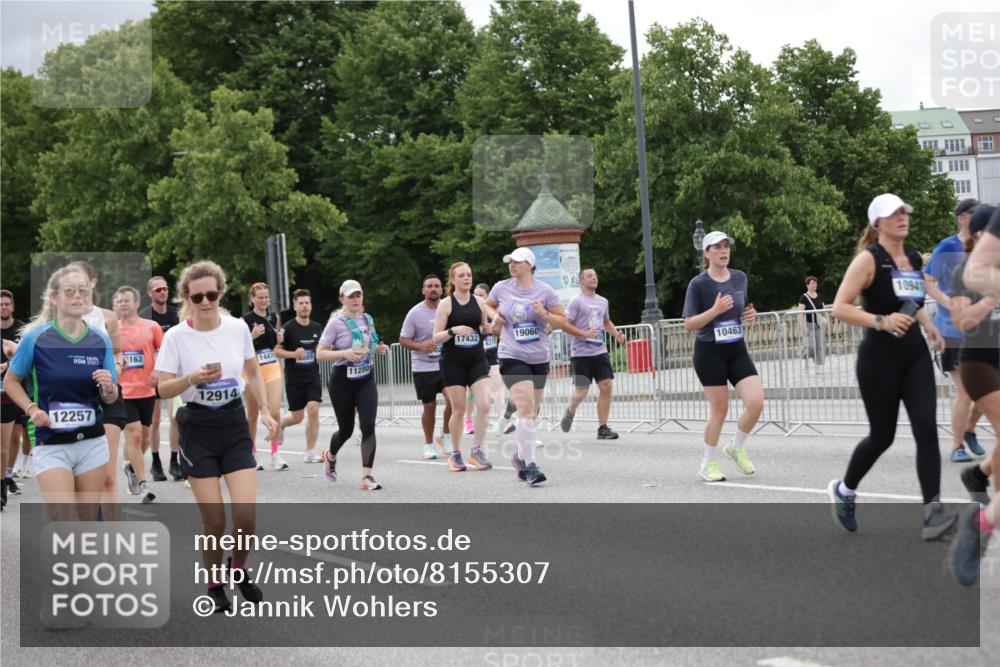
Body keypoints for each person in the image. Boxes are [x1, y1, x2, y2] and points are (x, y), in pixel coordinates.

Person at [828, 193, 955, 540]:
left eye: (904, 211)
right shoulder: (868, 260)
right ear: (877, 223)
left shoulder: (912, 256)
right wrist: (881, 321)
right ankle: (845, 490)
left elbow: (911, 302)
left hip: (913, 355)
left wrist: (929, 327)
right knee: (882, 436)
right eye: (893, 214)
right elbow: (839, 308)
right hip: (878, 360)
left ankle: (932, 513)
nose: (902, 217)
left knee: (927, 430)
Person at [154, 260, 275, 612]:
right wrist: (190, 379)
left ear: (220, 293)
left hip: (234, 425)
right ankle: (213, 582)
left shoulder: (237, 328)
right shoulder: (176, 337)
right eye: (198, 296)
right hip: (198, 429)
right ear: (186, 297)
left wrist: (265, 409)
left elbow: (253, 370)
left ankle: (236, 569)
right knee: (216, 521)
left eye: (212, 294)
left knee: (247, 517)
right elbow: (161, 388)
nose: (205, 301)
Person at [3, 265, 118, 519]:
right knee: (64, 519)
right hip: (50, 441)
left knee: (86, 522)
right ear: (54, 297)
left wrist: (109, 388)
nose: (78, 296)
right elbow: (11, 381)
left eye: (83, 291)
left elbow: (111, 396)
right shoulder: (36, 338)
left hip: (92, 441)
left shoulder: (100, 339)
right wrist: (31, 409)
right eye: (70, 291)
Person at [682, 231, 762, 482]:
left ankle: (736, 447)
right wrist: (714, 310)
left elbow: (741, 309)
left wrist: (749, 315)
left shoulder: (739, 278)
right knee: (720, 410)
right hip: (709, 352)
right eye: (717, 247)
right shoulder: (698, 284)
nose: (723, 250)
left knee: (756, 402)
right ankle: (707, 463)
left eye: (726, 246)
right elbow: (689, 324)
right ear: (707, 253)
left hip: (736, 348)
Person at [486, 246, 567, 486]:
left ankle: (520, 457)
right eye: (510, 261)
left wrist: (545, 316)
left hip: (539, 357)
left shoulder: (545, 291)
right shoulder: (501, 287)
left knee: (532, 412)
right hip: (512, 355)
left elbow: (562, 319)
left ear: (530, 265)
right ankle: (531, 467)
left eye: (517, 262)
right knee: (525, 409)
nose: (512, 265)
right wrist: (495, 317)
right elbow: (488, 305)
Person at [925, 197, 986, 463]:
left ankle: (970, 429)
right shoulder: (947, 247)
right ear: (961, 217)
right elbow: (928, 281)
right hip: (951, 329)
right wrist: (948, 302)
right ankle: (957, 446)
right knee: (966, 392)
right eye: (976, 214)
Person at [317, 280, 388, 490]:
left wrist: (379, 349)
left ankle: (367, 476)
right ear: (342, 299)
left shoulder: (368, 319)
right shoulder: (336, 322)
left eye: (358, 295)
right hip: (342, 381)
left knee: (368, 425)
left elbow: (370, 345)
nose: (356, 299)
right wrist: (343, 353)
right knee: (346, 430)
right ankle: (330, 455)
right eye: (351, 296)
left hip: (366, 379)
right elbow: (320, 354)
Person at [949, 204, 998, 505]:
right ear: (981, 234)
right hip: (979, 361)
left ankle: (979, 474)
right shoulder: (964, 272)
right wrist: (989, 300)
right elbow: (961, 321)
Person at [68, 260, 126, 516]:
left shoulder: (108, 317)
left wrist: (117, 367)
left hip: (107, 395)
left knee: (108, 475)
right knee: (80, 478)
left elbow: (117, 353)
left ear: (92, 282)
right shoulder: (60, 317)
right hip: (73, 399)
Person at [432, 263, 494, 472]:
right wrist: (453, 330)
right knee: (458, 409)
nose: (467, 278)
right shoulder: (446, 304)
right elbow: (435, 336)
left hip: (476, 360)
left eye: (469, 274)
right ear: (453, 280)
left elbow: (484, 329)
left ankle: (476, 450)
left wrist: (486, 329)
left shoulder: (479, 301)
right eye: (462, 275)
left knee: (485, 404)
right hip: (453, 363)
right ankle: (456, 453)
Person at [560, 268, 627, 439]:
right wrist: (584, 334)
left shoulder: (603, 301)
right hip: (581, 353)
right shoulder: (576, 301)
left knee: (606, 386)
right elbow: (566, 325)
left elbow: (605, 321)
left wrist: (617, 334)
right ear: (581, 281)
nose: (594, 278)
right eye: (589, 276)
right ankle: (570, 410)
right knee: (581, 391)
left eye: (595, 275)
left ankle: (602, 428)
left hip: (599, 350)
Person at [114, 286, 163, 504]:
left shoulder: (151, 326)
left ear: (136, 304)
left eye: (127, 300)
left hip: (147, 389)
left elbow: (163, 351)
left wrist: (157, 370)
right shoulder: (111, 330)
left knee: (144, 438)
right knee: (133, 435)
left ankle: (131, 467)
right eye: (119, 301)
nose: (123, 304)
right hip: (123, 390)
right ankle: (144, 486)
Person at [400, 275, 453, 460]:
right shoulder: (415, 313)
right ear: (423, 290)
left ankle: (445, 435)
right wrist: (422, 347)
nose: (433, 289)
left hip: (446, 363)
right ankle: (429, 444)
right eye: (429, 286)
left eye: (437, 286)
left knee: (454, 400)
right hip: (423, 366)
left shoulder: (448, 308)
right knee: (429, 406)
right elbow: (403, 340)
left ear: (442, 290)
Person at [139, 276, 180, 481]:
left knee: (175, 417)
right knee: (154, 420)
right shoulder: (145, 316)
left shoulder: (176, 314)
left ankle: (174, 461)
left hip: (173, 373)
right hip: (153, 373)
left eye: (164, 289)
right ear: (150, 293)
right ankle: (156, 463)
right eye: (157, 290)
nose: (162, 292)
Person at [242, 282, 286, 471]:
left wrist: (279, 341)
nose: (264, 300)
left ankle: (275, 454)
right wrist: (250, 336)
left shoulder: (273, 317)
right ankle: (253, 453)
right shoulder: (244, 320)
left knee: (274, 411)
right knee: (252, 415)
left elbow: (275, 347)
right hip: (252, 369)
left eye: (266, 297)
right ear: (252, 299)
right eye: (260, 297)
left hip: (272, 366)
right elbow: (239, 347)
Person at [277, 289, 324, 463]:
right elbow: (276, 350)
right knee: (297, 417)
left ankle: (310, 451)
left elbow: (322, 348)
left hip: (312, 377)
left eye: (307, 303)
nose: (304, 306)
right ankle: (282, 423)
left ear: (311, 306)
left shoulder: (317, 327)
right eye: (301, 303)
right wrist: (293, 354)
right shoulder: (287, 328)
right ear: (295, 306)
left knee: (313, 408)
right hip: (294, 379)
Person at [1, 289, 29, 495]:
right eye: (0, 304)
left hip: (16, 388)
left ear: (12, 306)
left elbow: (27, 356)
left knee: (16, 435)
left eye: (6, 304)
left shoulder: (21, 329)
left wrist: (8, 366)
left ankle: (8, 475)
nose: (4, 307)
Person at [797, 276, 827, 370]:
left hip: (818, 324)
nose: (814, 285)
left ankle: (817, 366)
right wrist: (804, 328)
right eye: (812, 283)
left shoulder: (820, 296)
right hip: (808, 324)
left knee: (819, 346)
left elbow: (824, 310)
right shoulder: (804, 298)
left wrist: (827, 322)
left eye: (815, 283)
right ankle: (804, 359)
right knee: (810, 346)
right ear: (807, 285)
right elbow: (801, 314)